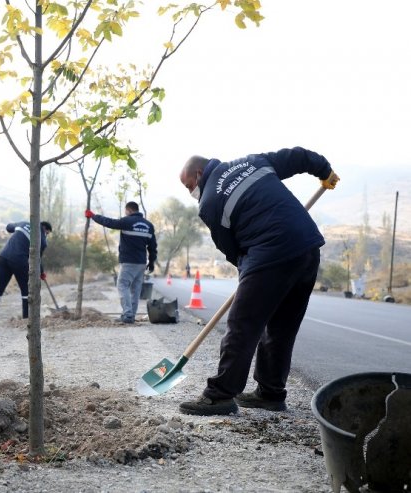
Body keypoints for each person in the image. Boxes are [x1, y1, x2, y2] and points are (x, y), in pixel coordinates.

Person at [177, 146, 340, 416]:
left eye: (189, 185)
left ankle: (220, 395)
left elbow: (232, 250)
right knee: (282, 327)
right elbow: (298, 156)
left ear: (199, 172)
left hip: (270, 254)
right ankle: (270, 393)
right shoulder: (253, 162)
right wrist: (324, 171)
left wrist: (249, 277)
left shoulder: (209, 204)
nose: (190, 192)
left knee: (242, 325)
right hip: (307, 249)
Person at [85, 202, 157, 324]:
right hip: (141, 263)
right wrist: (152, 262)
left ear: (128, 210)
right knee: (136, 289)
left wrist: (93, 216)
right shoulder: (149, 225)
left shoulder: (127, 222)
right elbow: (152, 246)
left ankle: (128, 314)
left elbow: (109, 222)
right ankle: (131, 315)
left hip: (129, 261)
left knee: (122, 285)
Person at [0, 221, 53, 325]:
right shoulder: (42, 240)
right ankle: (26, 319)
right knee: (26, 291)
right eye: (47, 233)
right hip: (20, 262)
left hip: (4, 257)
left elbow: (8, 227)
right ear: (45, 229)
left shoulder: (24, 224)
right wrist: (42, 272)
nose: (46, 235)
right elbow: (37, 259)